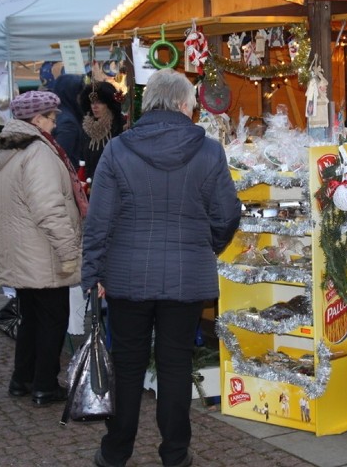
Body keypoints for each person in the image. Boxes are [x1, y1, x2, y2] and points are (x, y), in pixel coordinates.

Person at [82, 69, 241, 467]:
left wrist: (93, 275)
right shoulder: (208, 151)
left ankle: (115, 451)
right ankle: (174, 454)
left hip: (126, 276)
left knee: (127, 364)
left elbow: (98, 220)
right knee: (175, 365)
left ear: (148, 102)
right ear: (186, 106)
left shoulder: (118, 150)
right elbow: (227, 215)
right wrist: (203, 247)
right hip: (185, 278)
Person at [0, 90, 86, 407]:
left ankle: (22, 378)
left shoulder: (7, 147)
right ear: (37, 118)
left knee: (30, 316)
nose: (55, 124)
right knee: (53, 318)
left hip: (20, 249)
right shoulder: (38, 152)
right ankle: (44, 384)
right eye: (51, 117)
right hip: (42, 250)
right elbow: (49, 209)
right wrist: (69, 250)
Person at [78, 78, 124, 181]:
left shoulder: (119, 125)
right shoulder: (87, 127)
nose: (95, 106)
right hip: (89, 186)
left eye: (100, 102)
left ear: (109, 104)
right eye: (92, 102)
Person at [50, 74, 86, 168]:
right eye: (79, 94)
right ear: (71, 95)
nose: (81, 98)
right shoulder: (68, 123)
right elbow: (60, 156)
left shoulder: (57, 114)